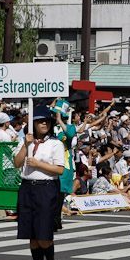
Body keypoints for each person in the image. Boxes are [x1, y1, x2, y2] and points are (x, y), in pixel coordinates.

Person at [13, 105, 65, 260]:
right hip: (27, 187)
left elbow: (59, 169)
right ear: (33, 123)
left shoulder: (55, 143)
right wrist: (25, 146)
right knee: (31, 233)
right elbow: (17, 163)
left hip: (46, 187)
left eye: (47, 121)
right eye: (40, 121)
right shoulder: (26, 141)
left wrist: (38, 164)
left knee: (43, 232)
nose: (44, 123)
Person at [52, 99, 76, 231]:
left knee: (59, 195)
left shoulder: (69, 127)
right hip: (49, 163)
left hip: (64, 164)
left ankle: (57, 220)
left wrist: (60, 121)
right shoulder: (49, 127)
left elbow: (71, 134)